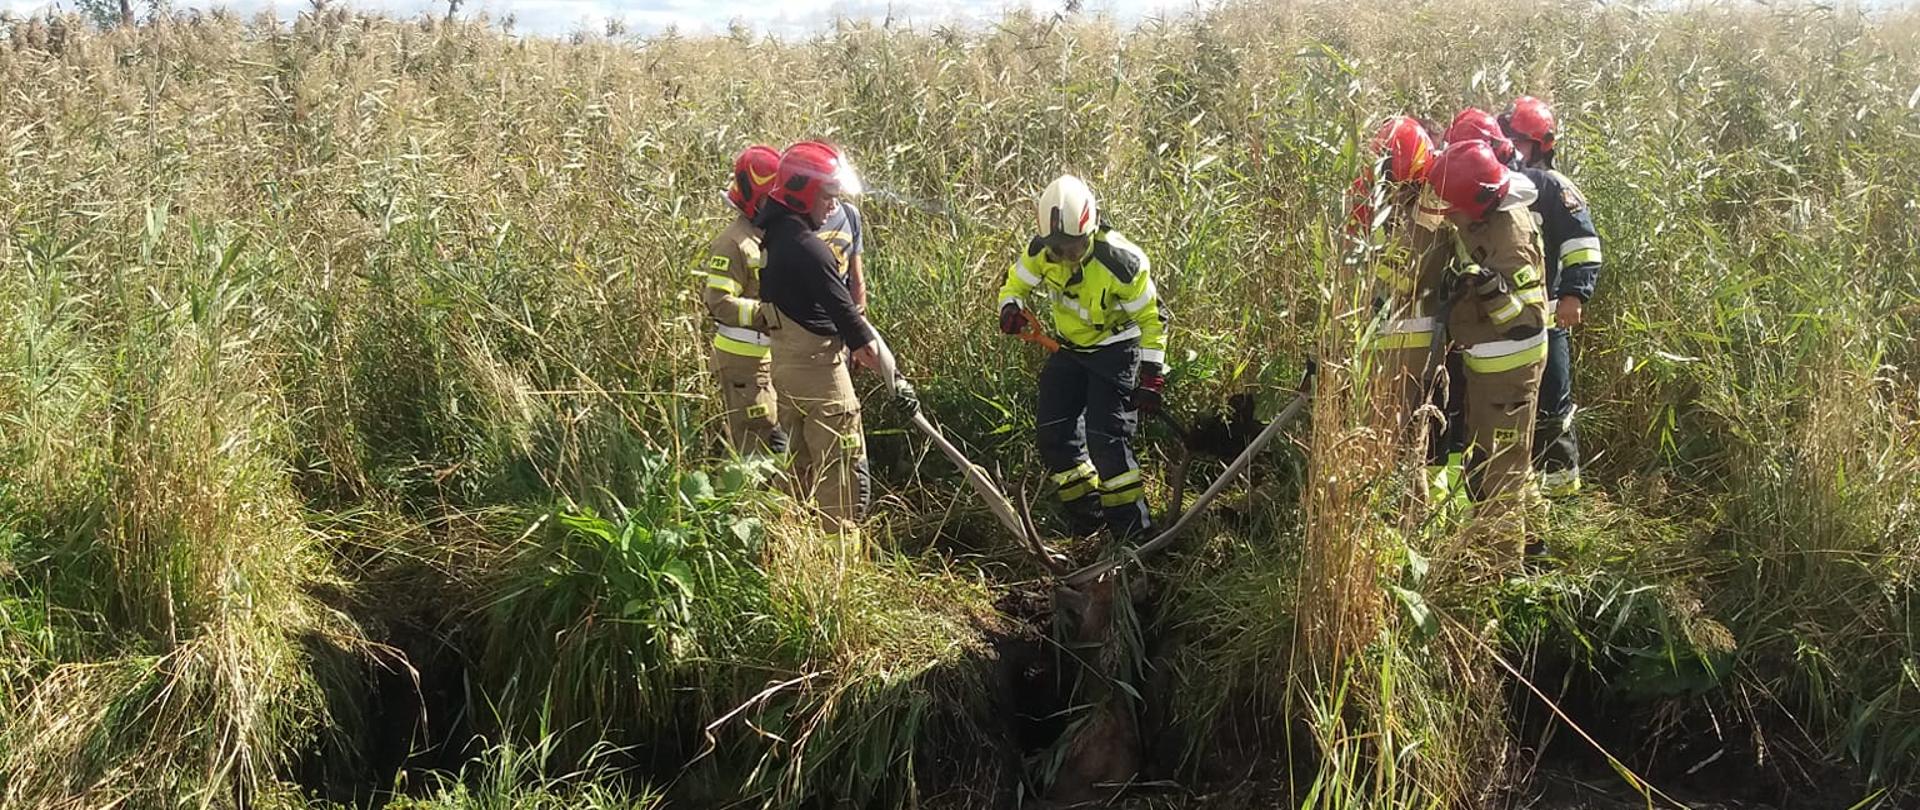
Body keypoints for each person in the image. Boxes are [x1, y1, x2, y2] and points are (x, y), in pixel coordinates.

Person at [997, 175, 1169, 540]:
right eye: (1057, 249)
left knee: (1107, 442)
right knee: (1053, 432)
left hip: (1117, 352)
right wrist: (1010, 308)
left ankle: (1134, 535)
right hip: (1070, 350)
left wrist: (1152, 377)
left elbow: (1153, 320)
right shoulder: (1042, 251)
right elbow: (1015, 285)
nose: (1064, 257)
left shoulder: (1122, 263)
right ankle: (1090, 521)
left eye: (1072, 247)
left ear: (1089, 230)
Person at [1427, 140, 1551, 562]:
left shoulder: (1509, 239)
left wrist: (1489, 291)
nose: (1451, 216)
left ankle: (1501, 572)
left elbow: (1527, 319)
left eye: (1454, 207)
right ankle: (1538, 547)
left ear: (1477, 204)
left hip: (1509, 372)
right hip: (1491, 368)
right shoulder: (1485, 219)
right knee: (1509, 459)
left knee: (1500, 472)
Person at [756, 141, 888, 529]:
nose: (833, 207)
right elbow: (843, 309)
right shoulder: (808, 248)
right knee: (841, 467)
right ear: (802, 193)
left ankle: (794, 543)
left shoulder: (775, 236)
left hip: (787, 369)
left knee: (800, 461)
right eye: (827, 197)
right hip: (819, 372)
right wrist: (884, 367)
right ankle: (839, 557)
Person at [1500, 96, 1602, 498]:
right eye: (1506, 137)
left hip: (1547, 320)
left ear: (1541, 145)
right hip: (1505, 321)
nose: (1510, 146)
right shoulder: (1502, 184)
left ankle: (1561, 501)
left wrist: (1575, 294)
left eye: (1518, 140)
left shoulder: (1555, 188)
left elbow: (1583, 244)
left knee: (1551, 411)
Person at [699, 144, 785, 455]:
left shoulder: (764, 238)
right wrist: (768, 314)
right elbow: (719, 302)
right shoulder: (733, 243)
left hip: (766, 360)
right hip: (742, 366)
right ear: (752, 198)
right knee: (759, 449)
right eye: (769, 199)